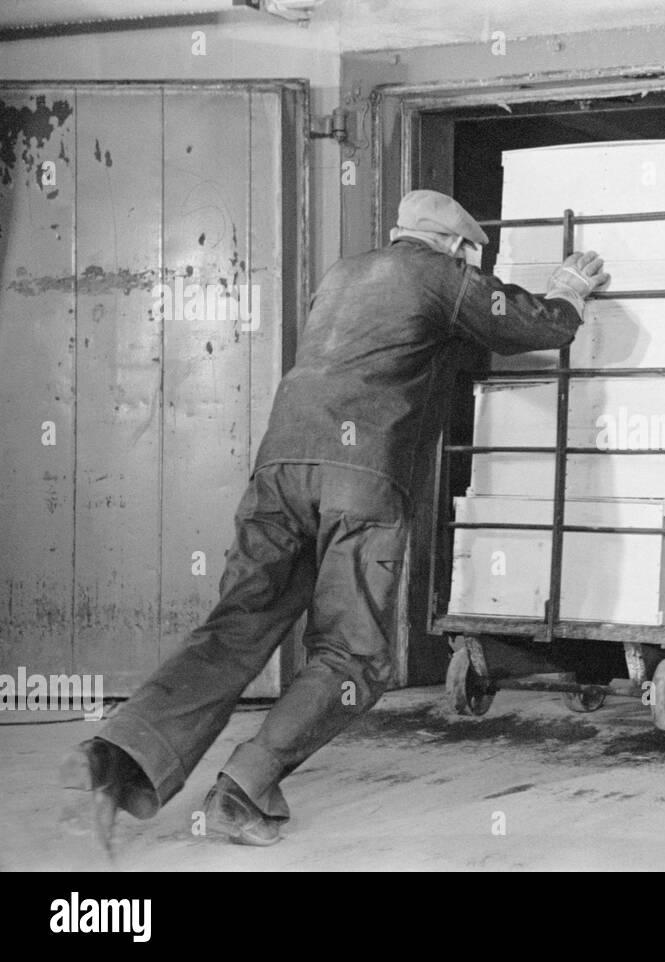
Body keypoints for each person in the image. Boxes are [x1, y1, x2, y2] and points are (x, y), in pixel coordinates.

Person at [61, 189, 609, 850]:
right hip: (360, 477)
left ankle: (122, 752)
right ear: (461, 248)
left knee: (237, 628)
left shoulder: (343, 276)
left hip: (280, 468)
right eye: (474, 257)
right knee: (356, 653)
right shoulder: (439, 275)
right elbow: (529, 328)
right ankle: (247, 785)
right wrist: (567, 293)